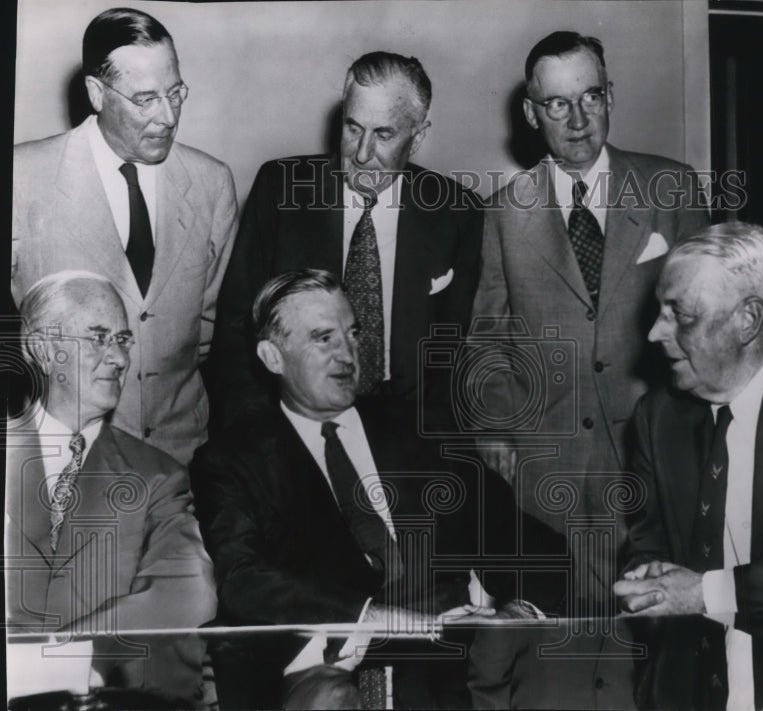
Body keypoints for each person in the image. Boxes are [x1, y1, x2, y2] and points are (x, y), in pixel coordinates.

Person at [190, 270, 564, 710]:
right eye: (322, 338)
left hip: (456, 642)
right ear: (273, 357)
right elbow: (243, 580)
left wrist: (516, 616)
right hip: (336, 651)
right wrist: (374, 617)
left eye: (351, 333)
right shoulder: (235, 460)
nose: (346, 354)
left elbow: (519, 535)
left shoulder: (415, 428)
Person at [471, 30, 709, 603]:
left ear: (609, 96)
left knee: (657, 650)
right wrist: (505, 453)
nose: (578, 119)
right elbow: (487, 345)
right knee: (568, 656)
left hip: (656, 472)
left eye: (591, 97)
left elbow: (707, 331)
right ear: (531, 113)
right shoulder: (504, 212)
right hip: (547, 485)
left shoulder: (671, 189)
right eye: (557, 103)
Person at [208, 51, 482, 432]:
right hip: (292, 421)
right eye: (353, 128)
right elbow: (236, 331)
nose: (363, 154)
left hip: (407, 430)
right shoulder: (281, 190)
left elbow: (458, 353)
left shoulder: (456, 212)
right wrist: (256, 434)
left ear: (418, 136)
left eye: (384, 134)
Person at [11, 7, 238, 465]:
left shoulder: (212, 184)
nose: (169, 116)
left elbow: (210, 332)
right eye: (145, 98)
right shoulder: (20, 179)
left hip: (182, 463)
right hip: (60, 464)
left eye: (176, 93)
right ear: (97, 93)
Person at [614, 222, 763, 710]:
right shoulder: (657, 418)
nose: (653, 332)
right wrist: (649, 574)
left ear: (747, 320)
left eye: (679, 315)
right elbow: (646, 541)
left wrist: (705, 592)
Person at [5, 271, 217, 705]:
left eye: (123, 340)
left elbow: (189, 591)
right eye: (98, 337)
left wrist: (64, 658)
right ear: (42, 350)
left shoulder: (157, 476)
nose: (119, 359)